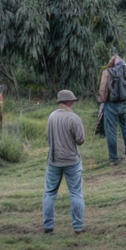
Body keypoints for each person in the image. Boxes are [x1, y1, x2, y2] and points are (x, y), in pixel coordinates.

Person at [42, 89, 86, 235]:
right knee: (75, 193)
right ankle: (78, 227)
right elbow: (80, 140)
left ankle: (48, 226)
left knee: (49, 193)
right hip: (72, 161)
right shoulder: (74, 118)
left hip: (53, 160)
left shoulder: (51, 116)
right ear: (70, 102)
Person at [98, 53, 126, 165]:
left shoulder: (107, 72)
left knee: (111, 131)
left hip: (111, 104)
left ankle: (114, 158)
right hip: (124, 103)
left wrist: (103, 100)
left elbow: (102, 89)